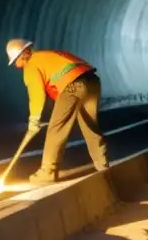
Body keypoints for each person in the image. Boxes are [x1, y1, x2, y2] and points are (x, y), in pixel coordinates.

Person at [6, 39, 109, 184]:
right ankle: (102, 162)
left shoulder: (31, 66)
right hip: (91, 81)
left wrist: (34, 120)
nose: (16, 65)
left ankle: (47, 172)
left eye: (15, 61)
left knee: (56, 129)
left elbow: (37, 95)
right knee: (89, 125)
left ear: (22, 55)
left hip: (73, 86)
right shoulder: (45, 55)